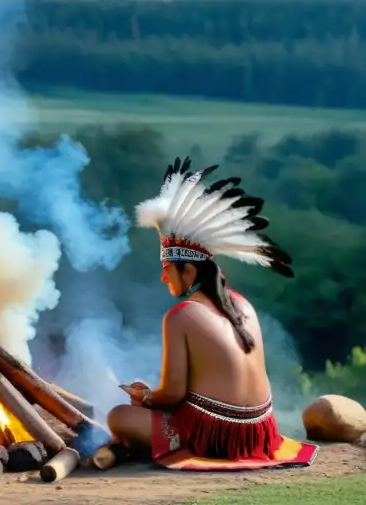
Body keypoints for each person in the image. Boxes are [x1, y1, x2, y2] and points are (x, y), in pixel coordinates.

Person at [107, 156, 300, 465]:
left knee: (118, 416)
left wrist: (143, 398)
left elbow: (172, 394)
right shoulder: (243, 304)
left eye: (167, 268)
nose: (162, 277)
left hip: (217, 435)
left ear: (190, 273)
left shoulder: (181, 315)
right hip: (262, 432)